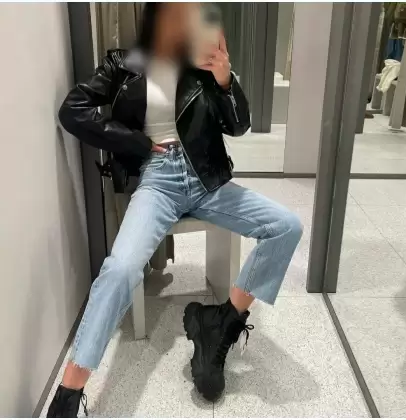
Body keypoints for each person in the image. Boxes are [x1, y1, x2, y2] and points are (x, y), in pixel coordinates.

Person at [47, 3, 302, 417]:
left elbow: (238, 126)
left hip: (207, 179)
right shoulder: (123, 64)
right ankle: (69, 393)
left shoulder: (202, 64)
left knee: (286, 226)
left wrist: (225, 79)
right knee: (121, 268)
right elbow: (72, 110)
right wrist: (136, 143)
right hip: (158, 181)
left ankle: (222, 322)